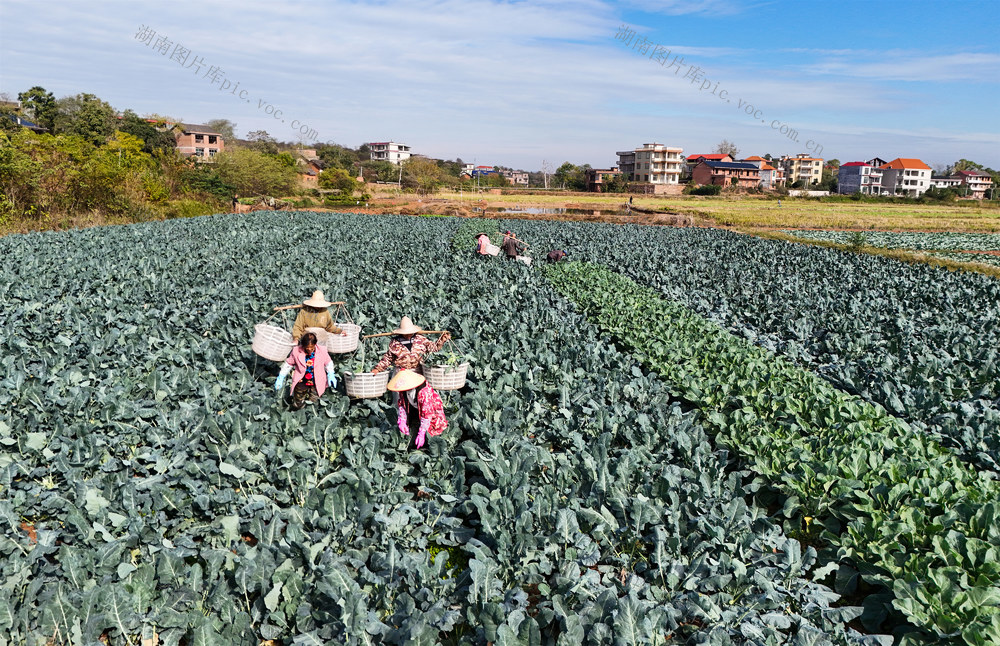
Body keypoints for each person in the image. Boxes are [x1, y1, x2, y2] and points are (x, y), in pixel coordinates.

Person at [387, 369, 447, 449]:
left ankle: (430, 445)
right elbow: (402, 403)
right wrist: (402, 420)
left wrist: (421, 433)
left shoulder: (424, 392)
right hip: (416, 408)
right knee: (413, 426)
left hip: (431, 410)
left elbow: (427, 414)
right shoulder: (403, 389)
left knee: (432, 430)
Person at [275, 332, 337, 410]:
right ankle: (298, 414)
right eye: (307, 347)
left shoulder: (322, 351)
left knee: (313, 403)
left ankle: (310, 415)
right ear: (303, 346)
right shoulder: (296, 351)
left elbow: (328, 363)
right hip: (301, 380)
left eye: (312, 347)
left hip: (317, 381)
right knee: (298, 402)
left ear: (315, 344)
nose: (309, 349)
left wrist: (331, 374)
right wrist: (281, 377)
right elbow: (288, 364)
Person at [372, 317, 451, 374]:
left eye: (409, 332)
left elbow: (434, 348)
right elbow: (388, 358)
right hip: (401, 373)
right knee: (402, 396)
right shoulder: (395, 343)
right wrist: (377, 369)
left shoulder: (420, 339)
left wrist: (442, 340)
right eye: (405, 333)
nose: (407, 335)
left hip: (418, 372)